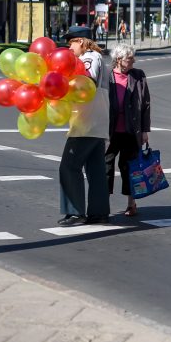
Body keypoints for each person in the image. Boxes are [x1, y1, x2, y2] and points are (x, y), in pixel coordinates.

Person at [58, 26, 110, 226]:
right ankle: (99, 212)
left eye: (70, 42)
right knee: (96, 171)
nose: (68, 47)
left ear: (80, 41)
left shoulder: (89, 58)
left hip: (85, 123)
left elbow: (86, 82)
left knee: (69, 167)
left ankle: (75, 212)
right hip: (97, 121)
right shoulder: (97, 58)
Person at [105, 44, 151, 217]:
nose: (133, 61)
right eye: (129, 58)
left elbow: (145, 103)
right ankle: (104, 202)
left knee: (130, 167)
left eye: (133, 58)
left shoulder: (138, 76)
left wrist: (145, 130)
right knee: (106, 166)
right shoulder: (107, 76)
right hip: (110, 131)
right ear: (118, 60)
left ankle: (131, 203)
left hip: (132, 130)